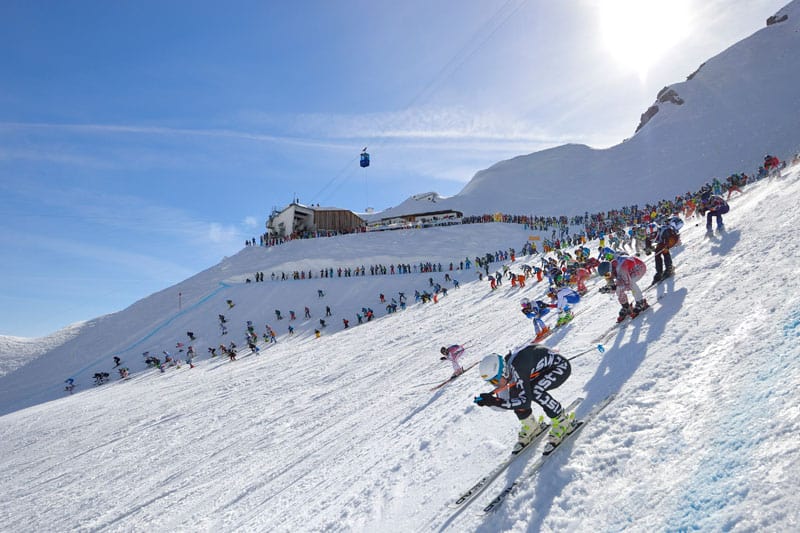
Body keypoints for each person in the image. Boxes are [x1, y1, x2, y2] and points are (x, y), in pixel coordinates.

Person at [474, 347, 575, 453]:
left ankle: (563, 422)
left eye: (495, 380)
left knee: (534, 391)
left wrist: (495, 401)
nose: (495, 384)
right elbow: (504, 402)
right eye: (491, 382)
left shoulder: (518, 368)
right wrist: (489, 401)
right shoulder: (507, 371)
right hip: (540, 370)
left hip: (559, 367)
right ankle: (531, 426)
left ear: (503, 371)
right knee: (515, 392)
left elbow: (524, 402)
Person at [598, 256, 648, 322]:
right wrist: (609, 288)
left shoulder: (621, 269)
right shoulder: (611, 271)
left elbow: (628, 285)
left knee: (631, 282)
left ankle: (640, 302)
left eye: (608, 274)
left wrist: (614, 287)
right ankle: (626, 306)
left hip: (639, 267)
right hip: (628, 271)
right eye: (605, 276)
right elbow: (615, 286)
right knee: (618, 286)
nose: (608, 277)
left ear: (610, 270)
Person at [646, 217, 683, 283]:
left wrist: (666, 246)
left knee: (665, 251)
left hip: (672, 239)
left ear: (656, 231)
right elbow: (647, 240)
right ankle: (659, 272)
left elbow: (668, 241)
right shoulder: (650, 235)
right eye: (649, 235)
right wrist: (648, 248)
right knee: (657, 254)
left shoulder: (665, 231)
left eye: (653, 234)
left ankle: (669, 268)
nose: (651, 236)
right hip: (662, 241)